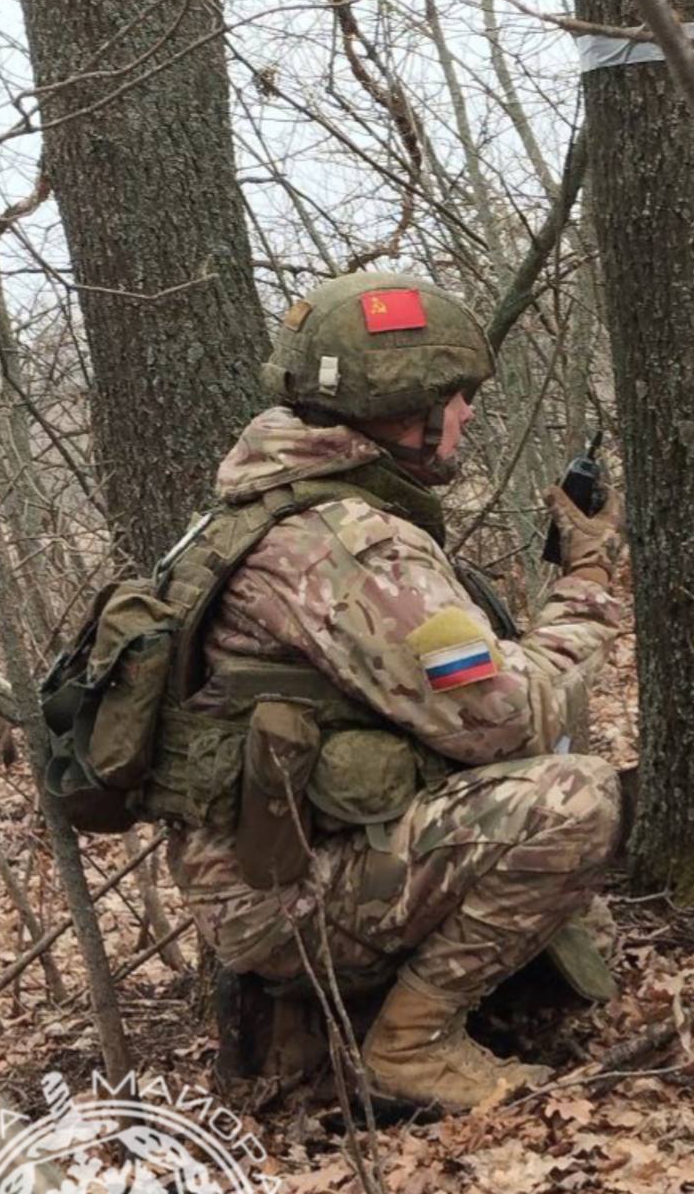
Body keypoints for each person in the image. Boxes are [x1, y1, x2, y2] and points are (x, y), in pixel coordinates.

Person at [164, 272, 626, 1110]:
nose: (468, 415)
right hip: (289, 901)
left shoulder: (264, 507)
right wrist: (588, 584)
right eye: (455, 396)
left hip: (273, 876)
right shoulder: (347, 547)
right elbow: (508, 724)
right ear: (402, 407)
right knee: (572, 798)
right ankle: (412, 1045)